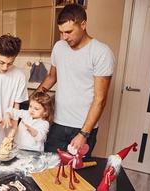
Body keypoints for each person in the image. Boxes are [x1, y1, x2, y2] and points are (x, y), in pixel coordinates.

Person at [33, 4, 114, 157]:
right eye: (61, 32)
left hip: (82, 127)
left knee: (76, 174)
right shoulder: (59, 47)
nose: (64, 37)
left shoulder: (101, 53)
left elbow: (100, 99)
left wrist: (84, 133)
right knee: (49, 168)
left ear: (83, 24)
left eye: (69, 32)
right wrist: (34, 98)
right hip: (57, 122)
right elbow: (52, 77)